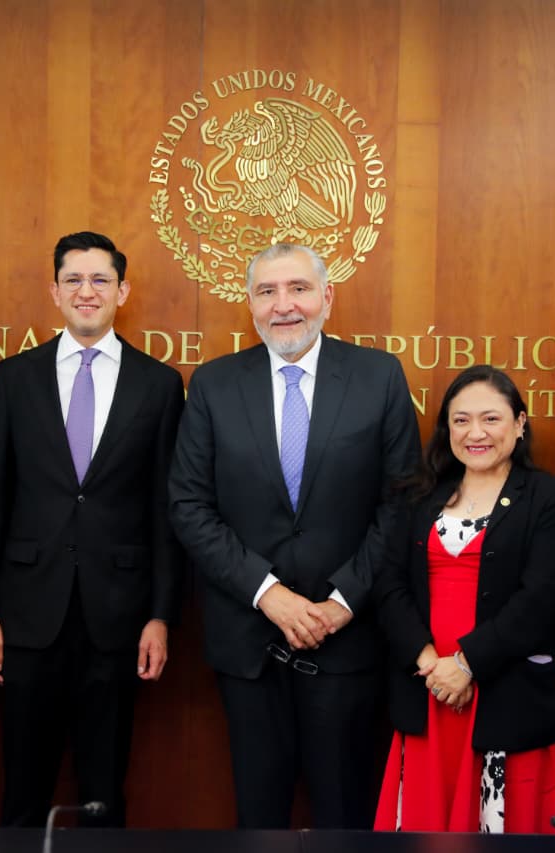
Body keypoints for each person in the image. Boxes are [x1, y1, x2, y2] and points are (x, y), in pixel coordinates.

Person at [168, 242, 420, 829]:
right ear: (251, 304)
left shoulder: (378, 376)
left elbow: (402, 502)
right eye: (267, 291)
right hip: (249, 640)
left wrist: (341, 603)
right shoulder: (214, 384)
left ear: (327, 297)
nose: (284, 305)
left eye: (298, 289)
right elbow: (188, 505)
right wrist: (269, 594)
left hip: (349, 640)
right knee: (259, 816)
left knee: (344, 815)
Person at [0, 231, 184, 828]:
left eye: (100, 280)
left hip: (118, 616)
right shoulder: (14, 377)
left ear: (122, 290)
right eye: (73, 280)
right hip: (25, 614)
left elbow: (165, 511)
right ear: (55, 291)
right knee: (22, 787)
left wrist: (160, 616)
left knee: (103, 790)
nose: (86, 291)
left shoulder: (159, 384)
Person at [372, 365, 555, 834]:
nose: (475, 433)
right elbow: (388, 584)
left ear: (520, 424)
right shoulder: (419, 495)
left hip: (504, 690)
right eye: (461, 420)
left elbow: (540, 597)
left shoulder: (549, 497)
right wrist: (432, 666)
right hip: (430, 691)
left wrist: (466, 665)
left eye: (491, 419)